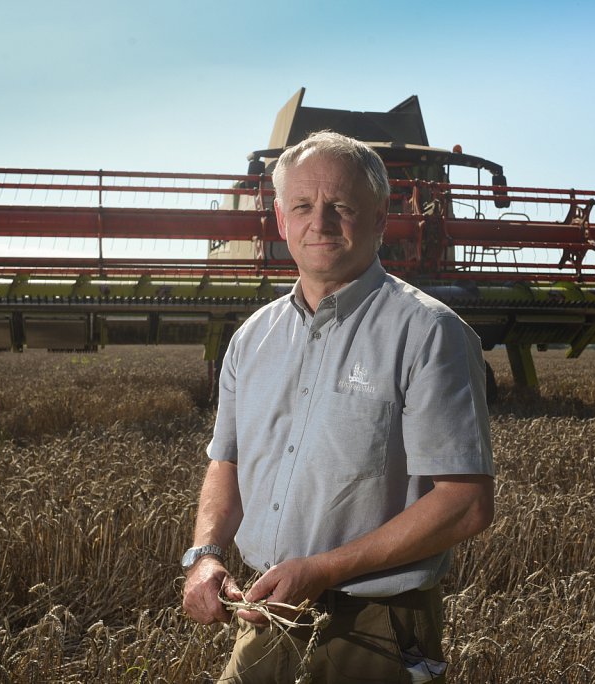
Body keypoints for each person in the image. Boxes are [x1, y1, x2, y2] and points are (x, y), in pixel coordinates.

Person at [181, 130, 495, 683]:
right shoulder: (252, 338)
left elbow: (465, 503)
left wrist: (321, 570)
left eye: (340, 207)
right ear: (281, 220)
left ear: (380, 218)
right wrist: (205, 553)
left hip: (375, 630)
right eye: (302, 206)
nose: (319, 223)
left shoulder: (428, 334)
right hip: (266, 612)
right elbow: (226, 461)